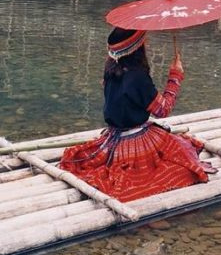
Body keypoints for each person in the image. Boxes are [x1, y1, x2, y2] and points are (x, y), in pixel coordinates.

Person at [60, 28, 211, 202]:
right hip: (137, 140)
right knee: (182, 163)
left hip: (113, 138)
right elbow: (162, 110)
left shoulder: (110, 67)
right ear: (138, 47)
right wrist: (175, 76)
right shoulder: (138, 77)